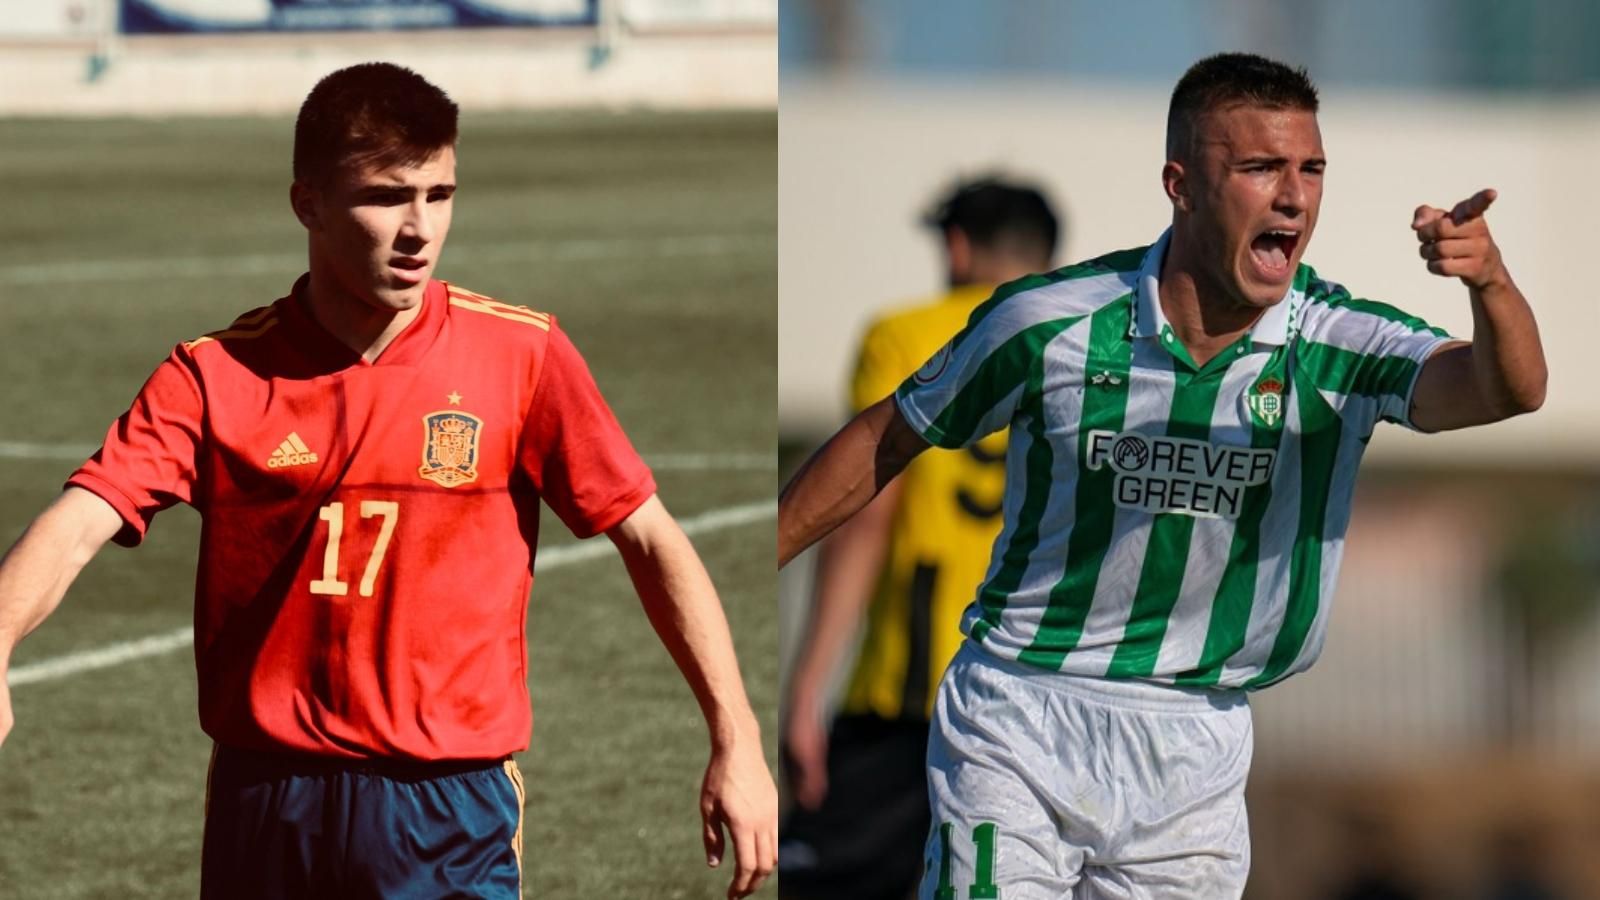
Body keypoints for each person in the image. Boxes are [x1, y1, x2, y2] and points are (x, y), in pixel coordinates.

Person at [777, 52, 1546, 899]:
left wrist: (1492, 284)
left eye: (1311, 169)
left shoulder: (1336, 344)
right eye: (1259, 168)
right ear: (1180, 184)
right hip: (1021, 712)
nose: (1293, 195)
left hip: (1196, 745)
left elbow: (1504, 389)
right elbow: (885, 440)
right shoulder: (1047, 322)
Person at [0, 62, 776, 900]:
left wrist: (736, 737)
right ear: (308, 204)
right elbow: (80, 521)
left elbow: (650, 535)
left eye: (440, 195)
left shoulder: (523, 356)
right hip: (269, 802)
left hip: (446, 806)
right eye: (384, 196)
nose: (419, 229)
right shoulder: (215, 374)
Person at [779, 178, 1060, 900]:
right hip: (1038, 696)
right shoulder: (1083, 340)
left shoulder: (904, 332)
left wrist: (809, 681)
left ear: (957, 246)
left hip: (912, 688)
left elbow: (869, 509)